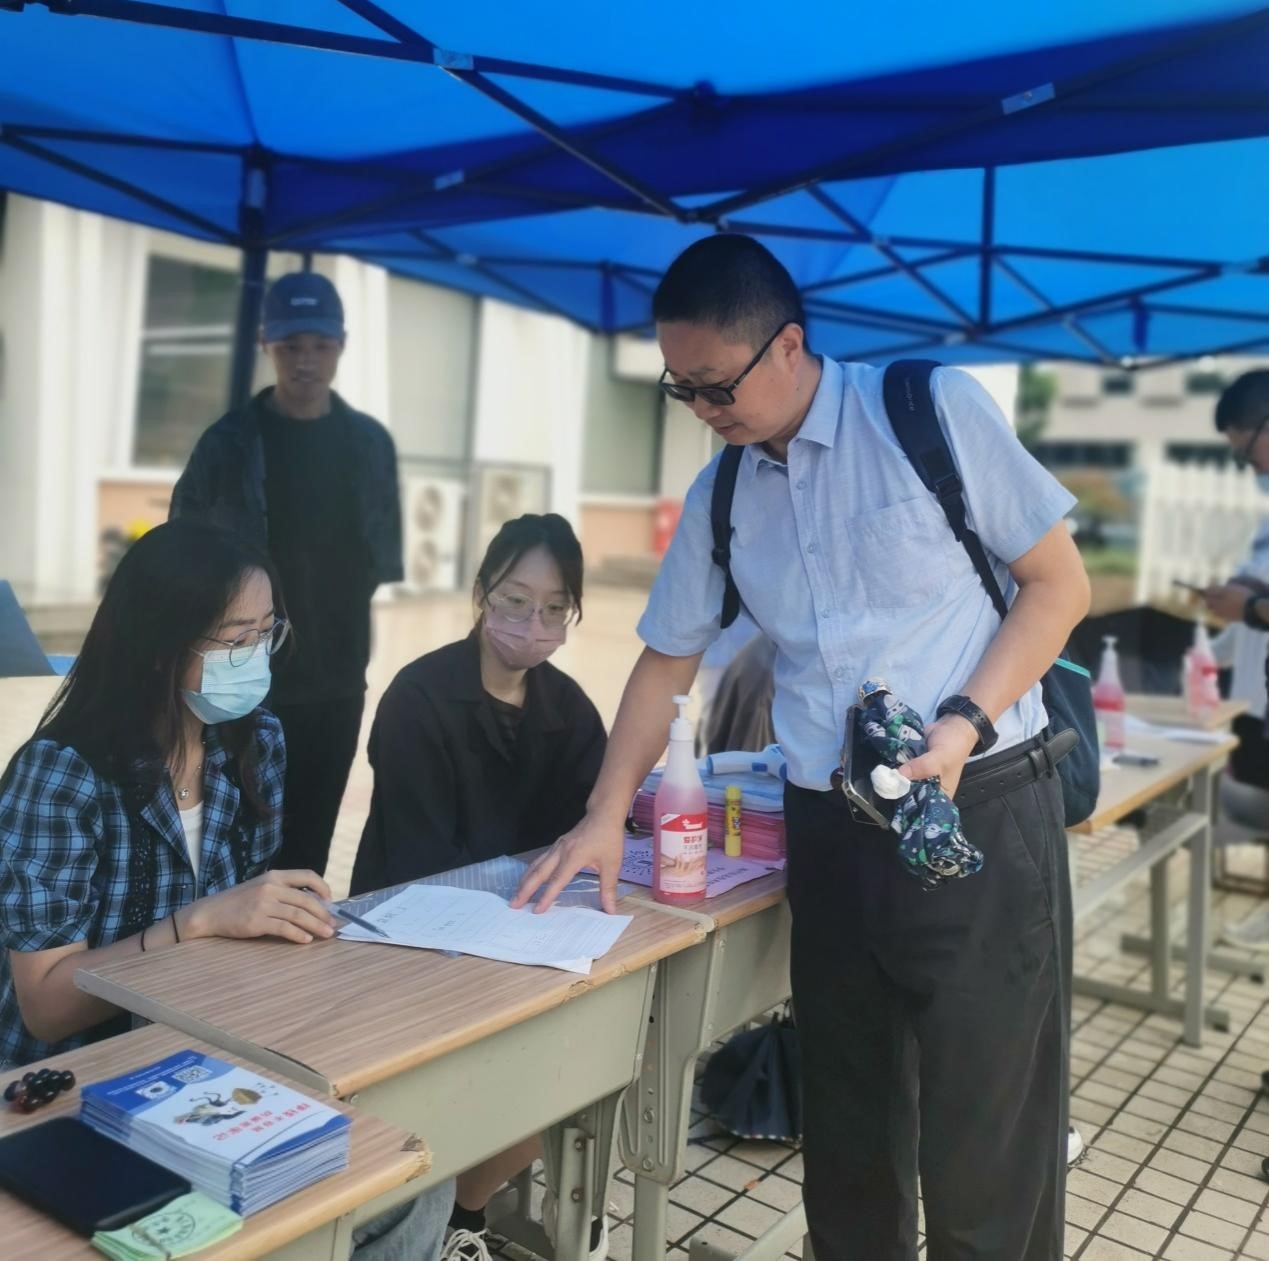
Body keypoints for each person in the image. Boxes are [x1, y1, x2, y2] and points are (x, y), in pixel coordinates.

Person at [515, 234, 1091, 1260]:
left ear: (787, 345)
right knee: (849, 1129)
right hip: (830, 830)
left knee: (987, 1143)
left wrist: (963, 719)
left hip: (980, 808)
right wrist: (604, 814)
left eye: (715, 385)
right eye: (680, 389)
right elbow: (665, 660)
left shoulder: (926, 412)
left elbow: (1059, 587)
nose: (702, 409)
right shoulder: (724, 493)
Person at [0, 518, 451, 1260]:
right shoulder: (62, 773)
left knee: (413, 1180)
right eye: (235, 639)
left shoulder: (252, 741)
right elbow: (46, 1006)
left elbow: (240, 943)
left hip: (198, 1064)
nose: (255, 659)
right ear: (159, 645)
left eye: (267, 634)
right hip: (76, 1087)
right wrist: (196, 923)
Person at [350, 513, 609, 1261]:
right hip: (407, 941)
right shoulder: (419, 696)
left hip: (525, 939)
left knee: (581, 1064)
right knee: (471, 1083)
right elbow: (421, 857)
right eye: (514, 600)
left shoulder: (567, 708)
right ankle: (440, 1214)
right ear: (481, 592)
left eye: (554, 607)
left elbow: (592, 825)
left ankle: (463, 1213)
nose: (532, 623)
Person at [170, 272, 403, 878]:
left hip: (337, 678)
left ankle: (298, 936)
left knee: (310, 846)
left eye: (320, 345)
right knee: (234, 844)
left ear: (341, 346)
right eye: (291, 345)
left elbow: (378, 561)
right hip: (241, 679)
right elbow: (180, 558)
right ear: (266, 344)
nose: (306, 360)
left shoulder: (369, 445)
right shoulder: (226, 445)